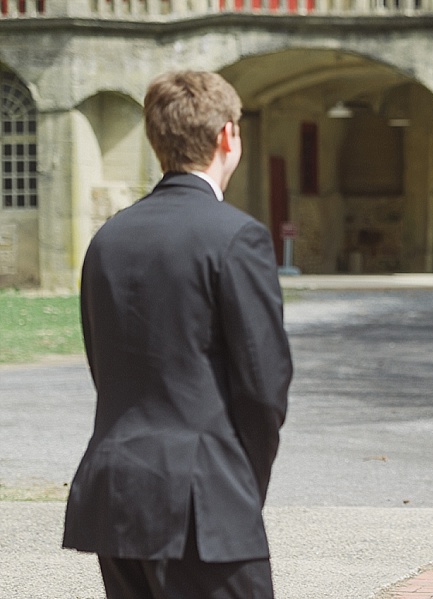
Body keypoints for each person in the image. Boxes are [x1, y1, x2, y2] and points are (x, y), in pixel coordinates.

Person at [62, 71, 293, 599]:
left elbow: (106, 368)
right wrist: (239, 486)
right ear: (227, 137)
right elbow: (264, 389)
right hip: (205, 503)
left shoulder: (108, 239)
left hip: (117, 498)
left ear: (155, 139)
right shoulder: (237, 236)